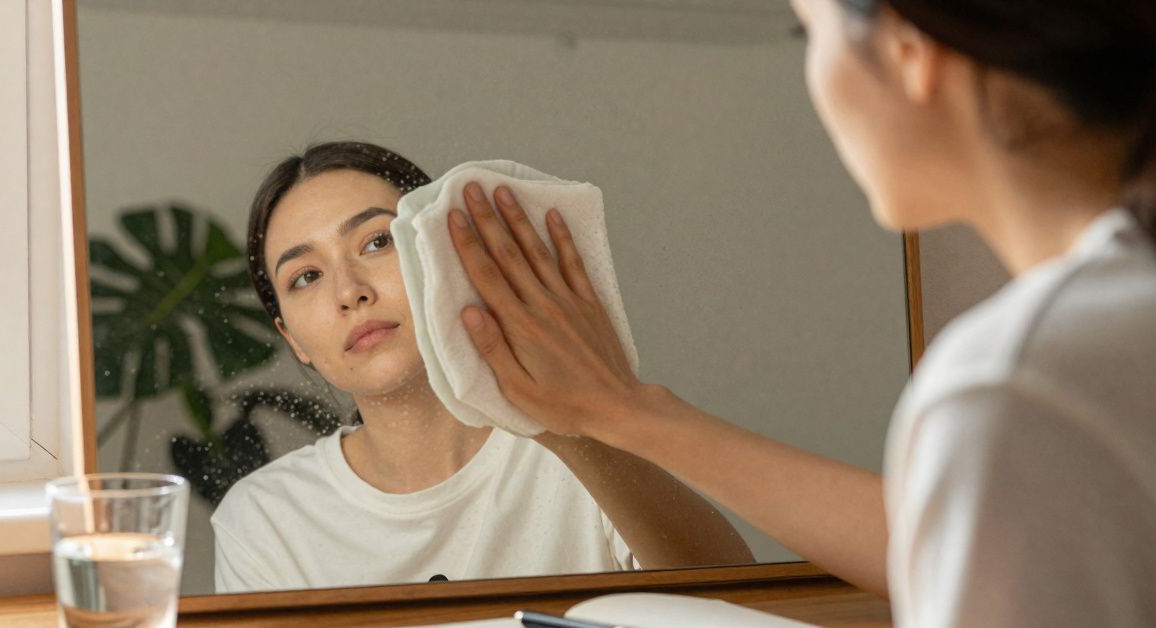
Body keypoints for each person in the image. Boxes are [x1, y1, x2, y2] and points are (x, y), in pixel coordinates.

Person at [443, 2, 1156, 628]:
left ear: (911, 50)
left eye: (807, 32)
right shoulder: (1088, 348)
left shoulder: (1017, 383)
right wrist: (624, 409)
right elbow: (960, 538)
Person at [211, 141, 752, 593]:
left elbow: (737, 601)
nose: (349, 292)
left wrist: (574, 433)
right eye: (306, 277)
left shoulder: (580, 453)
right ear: (293, 339)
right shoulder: (265, 518)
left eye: (377, 242)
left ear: (440, 255)